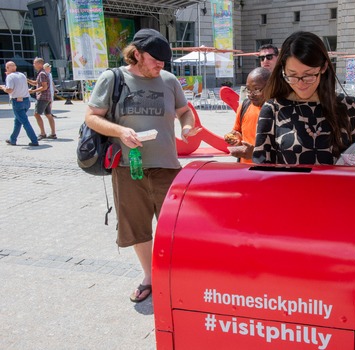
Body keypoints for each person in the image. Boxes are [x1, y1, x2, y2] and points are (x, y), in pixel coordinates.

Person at [84, 28, 201, 303]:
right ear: (136, 54)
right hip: (128, 167)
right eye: (154, 60)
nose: (160, 65)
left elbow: (184, 111)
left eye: (164, 61)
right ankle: (149, 277)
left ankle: (177, 276)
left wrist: (187, 127)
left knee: (175, 227)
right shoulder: (112, 78)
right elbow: (91, 117)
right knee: (137, 227)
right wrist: (120, 132)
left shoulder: (169, 80)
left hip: (167, 167)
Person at [252, 31, 355, 165]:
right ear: (283, 71)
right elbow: (262, 169)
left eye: (308, 75)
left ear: (323, 67)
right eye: (292, 75)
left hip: (338, 186)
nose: (300, 83)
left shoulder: (348, 106)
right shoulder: (273, 109)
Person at [224, 67, 271, 163]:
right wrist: (235, 138)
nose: (251, 94)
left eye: (256, 89)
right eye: (248, 89)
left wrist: (255, 153)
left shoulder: (279, 111)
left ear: (270, 87)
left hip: (267, 171)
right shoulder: (244, 106)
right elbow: (237, 131)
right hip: (245, 169)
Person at [0, 61, 39, 146]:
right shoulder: (22, 75)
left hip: (17, 102)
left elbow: (9, 89)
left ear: (7, 68)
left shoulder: (10, 77)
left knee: (24, 122)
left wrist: (3, 88)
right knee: (18, 121)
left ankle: (34, 140)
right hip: (26, 101)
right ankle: (13, 139)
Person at [28, 57, 56, 140]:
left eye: (35, 63)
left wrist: (33, 91)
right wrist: (27, 80)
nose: (34, 65)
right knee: (48, 115)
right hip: (47, 97)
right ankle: (53, 133)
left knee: (36, 114)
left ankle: (43, 133)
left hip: (43, 97)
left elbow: (44, 87)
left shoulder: (42, 74)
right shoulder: (42, 73)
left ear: (40, 64)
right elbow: (36, 83)